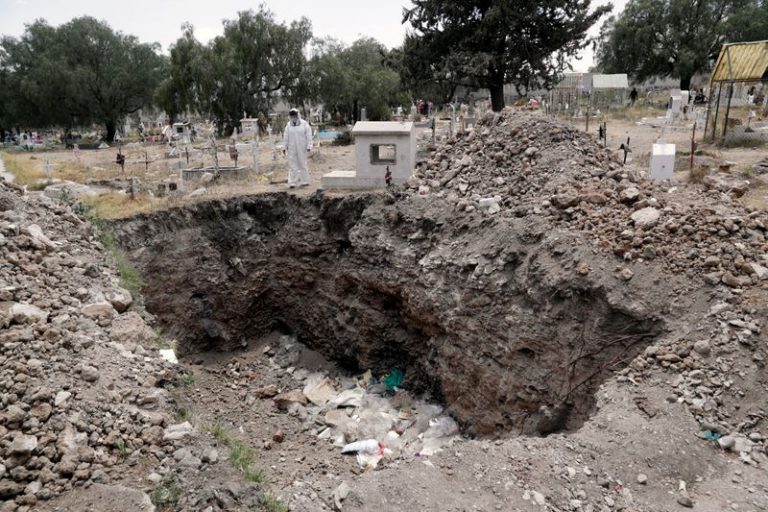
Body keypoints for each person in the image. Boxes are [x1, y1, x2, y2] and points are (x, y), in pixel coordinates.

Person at [282, 108, 313, 188]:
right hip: (291, 148)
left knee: (303, 164)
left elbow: (309, 136)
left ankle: (305, 181)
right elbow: (285, 137)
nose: (293, 117)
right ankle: (292, 182)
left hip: (302, 147)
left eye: (294, 115)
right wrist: (284, 147)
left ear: (298, 115)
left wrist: (309, 145)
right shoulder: (288, 126)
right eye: (292, 115)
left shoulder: (304, 124)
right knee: (292, 165)